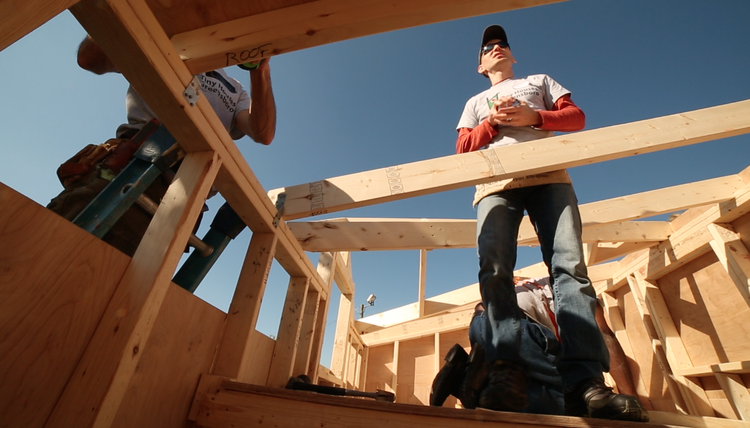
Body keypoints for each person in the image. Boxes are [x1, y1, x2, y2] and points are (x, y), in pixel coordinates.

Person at [452, 25, 647, 421]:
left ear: (513, 55)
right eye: (488, 48)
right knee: (495, 269)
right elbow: (461, 148)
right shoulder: (475, 101)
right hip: (496, 185)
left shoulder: (538, 81)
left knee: (569, 269)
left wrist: (534, 117)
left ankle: (585, 384)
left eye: (502, 44)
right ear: (480, 65)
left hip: (549, 179)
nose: (496, 48)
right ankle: (506, 371)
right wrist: (492, 123)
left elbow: (575, 117)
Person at [47, 35, 276, 257]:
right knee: (53, 248)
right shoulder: (168, 41)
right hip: (131, 168)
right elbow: (90, 59)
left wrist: (260, 69)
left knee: (118, 285)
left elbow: (262, 133)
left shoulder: (235, 89)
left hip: (184, 197)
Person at [430, 277, 650, 416]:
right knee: (568, 403)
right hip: (519, 328)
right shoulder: (576, 291)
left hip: (482, 323)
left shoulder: (530, 287)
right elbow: (604, 336)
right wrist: (631, 400)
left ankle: (467, 383)